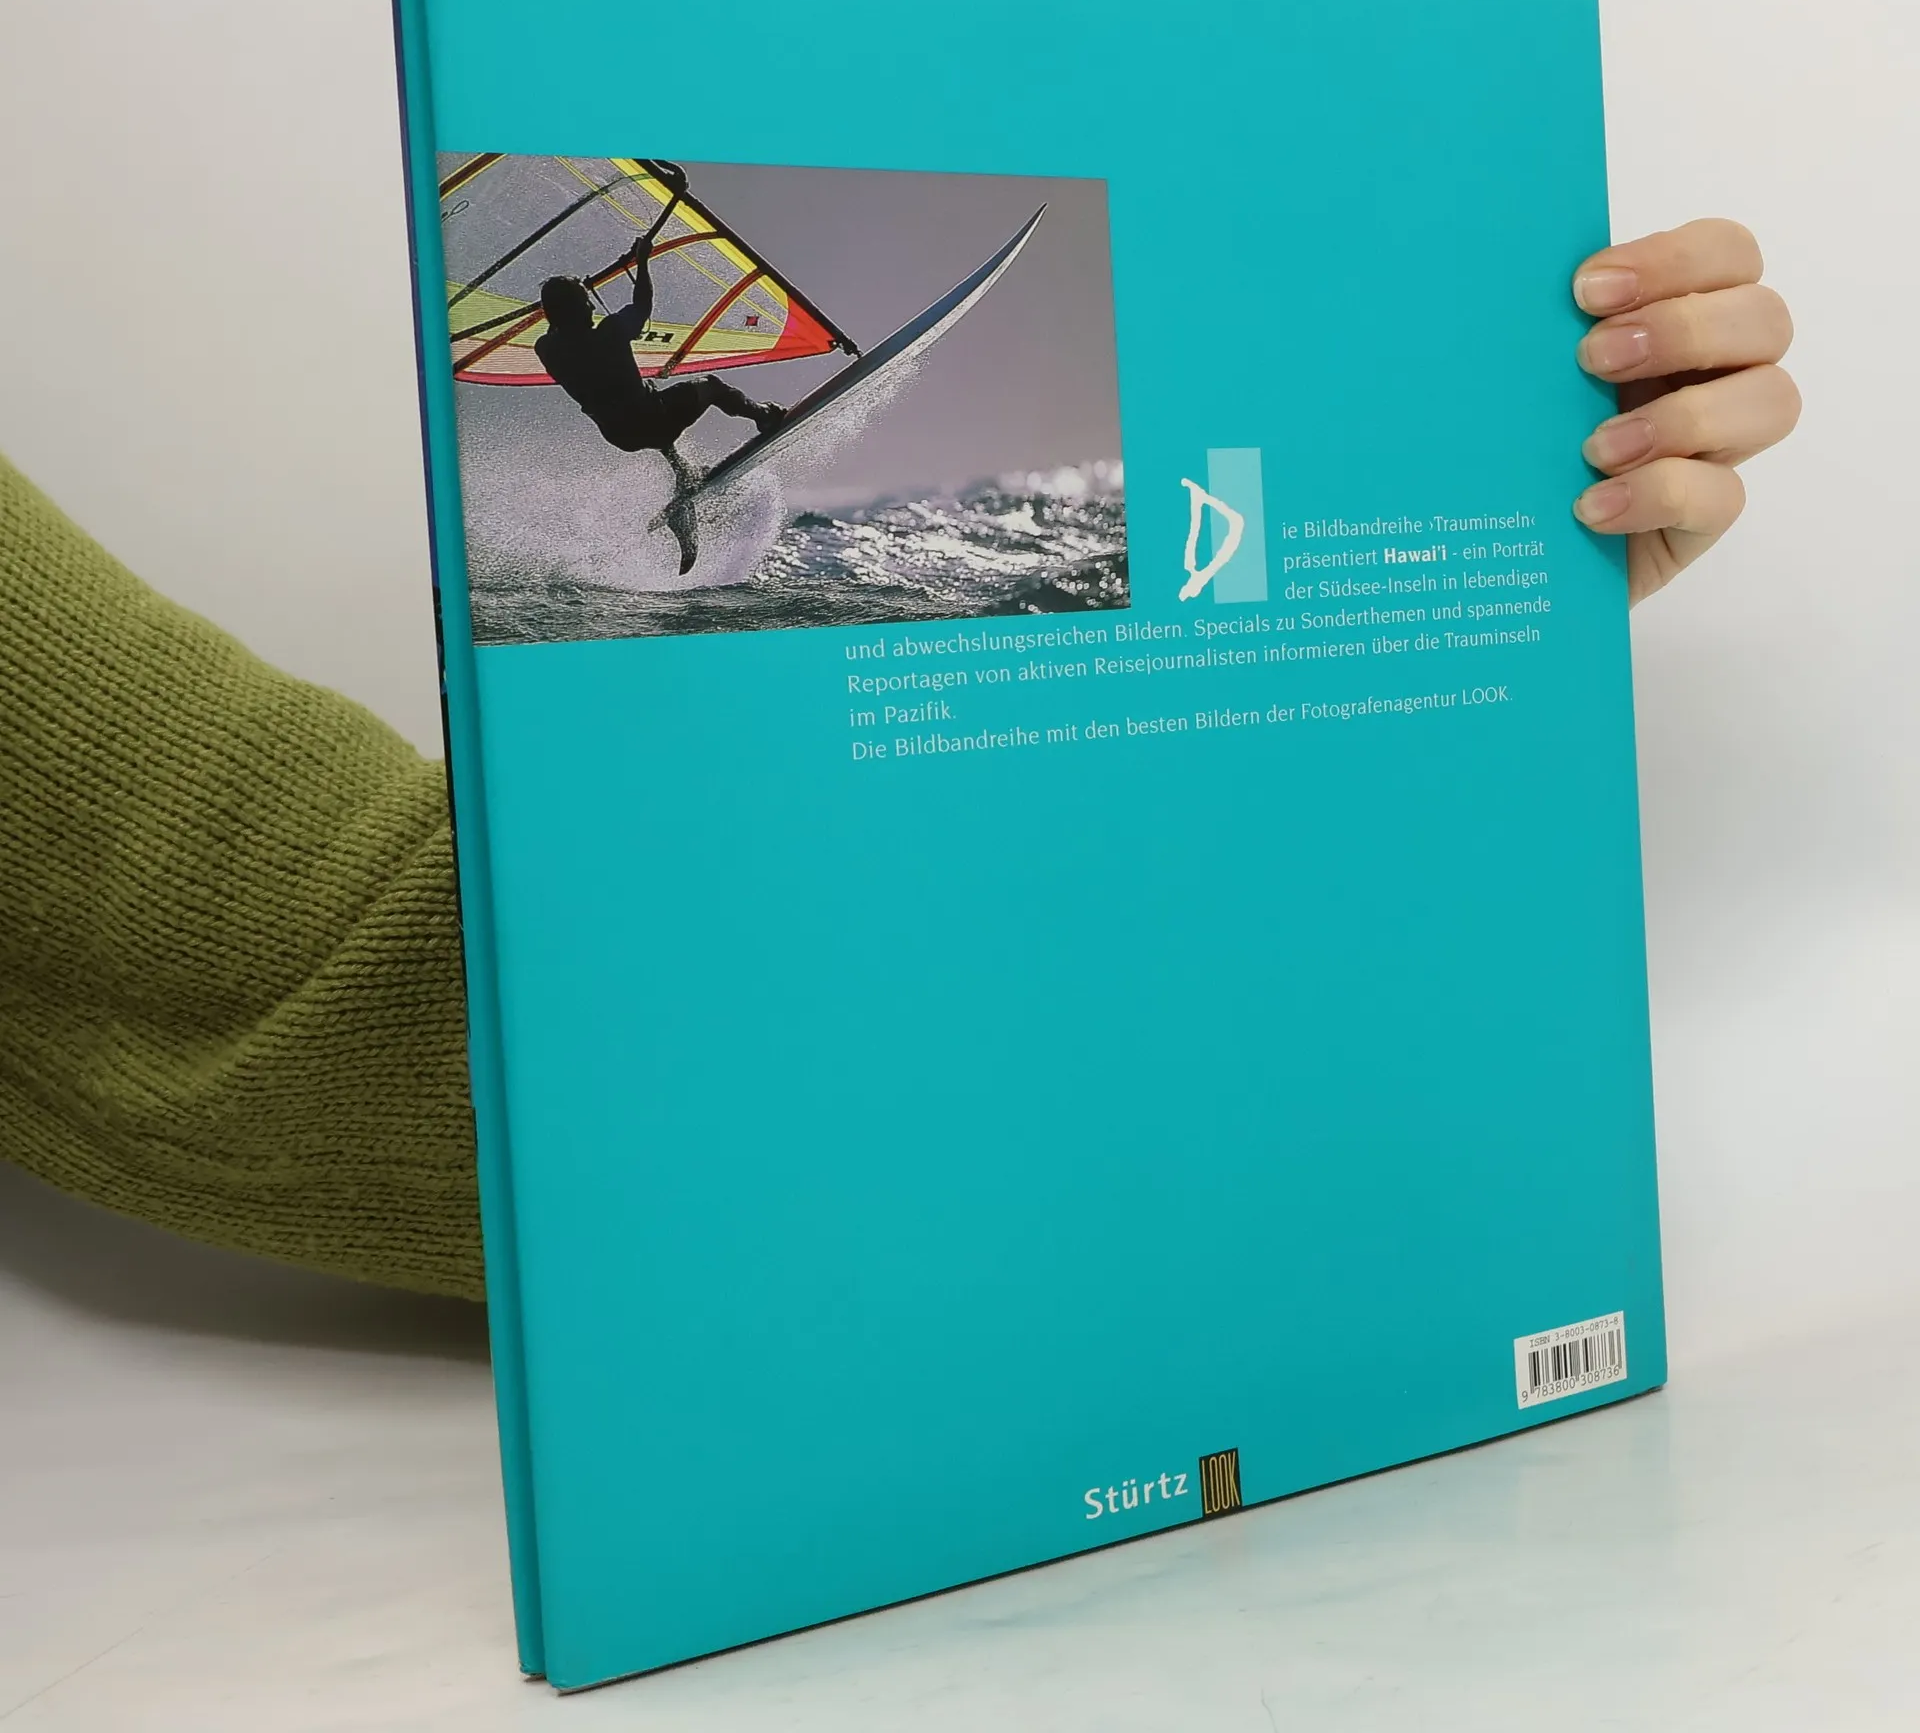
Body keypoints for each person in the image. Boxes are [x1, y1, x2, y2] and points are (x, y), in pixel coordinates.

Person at [0, 221, 1801, 1300]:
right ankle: (698, 474)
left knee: (695, 414)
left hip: (639, 444)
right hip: (635, 423)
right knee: (701, 404)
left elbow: (363, 960)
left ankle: (693, 489)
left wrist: (1411, 641)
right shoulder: (573, 334)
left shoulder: (570, 325)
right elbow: (322, 1003)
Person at [533, 162, 785, 575]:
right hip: (651, 419)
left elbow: (561, 326)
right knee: (710, 386)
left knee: (643, 409)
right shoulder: (609, 333)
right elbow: (642, 306)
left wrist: (565, 300)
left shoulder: (547, 349)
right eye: (586, 301)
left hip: (619, 434)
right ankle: (763, 415)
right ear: (578, 308)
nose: (592, 305)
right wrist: (643, 262)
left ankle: (683, 475)